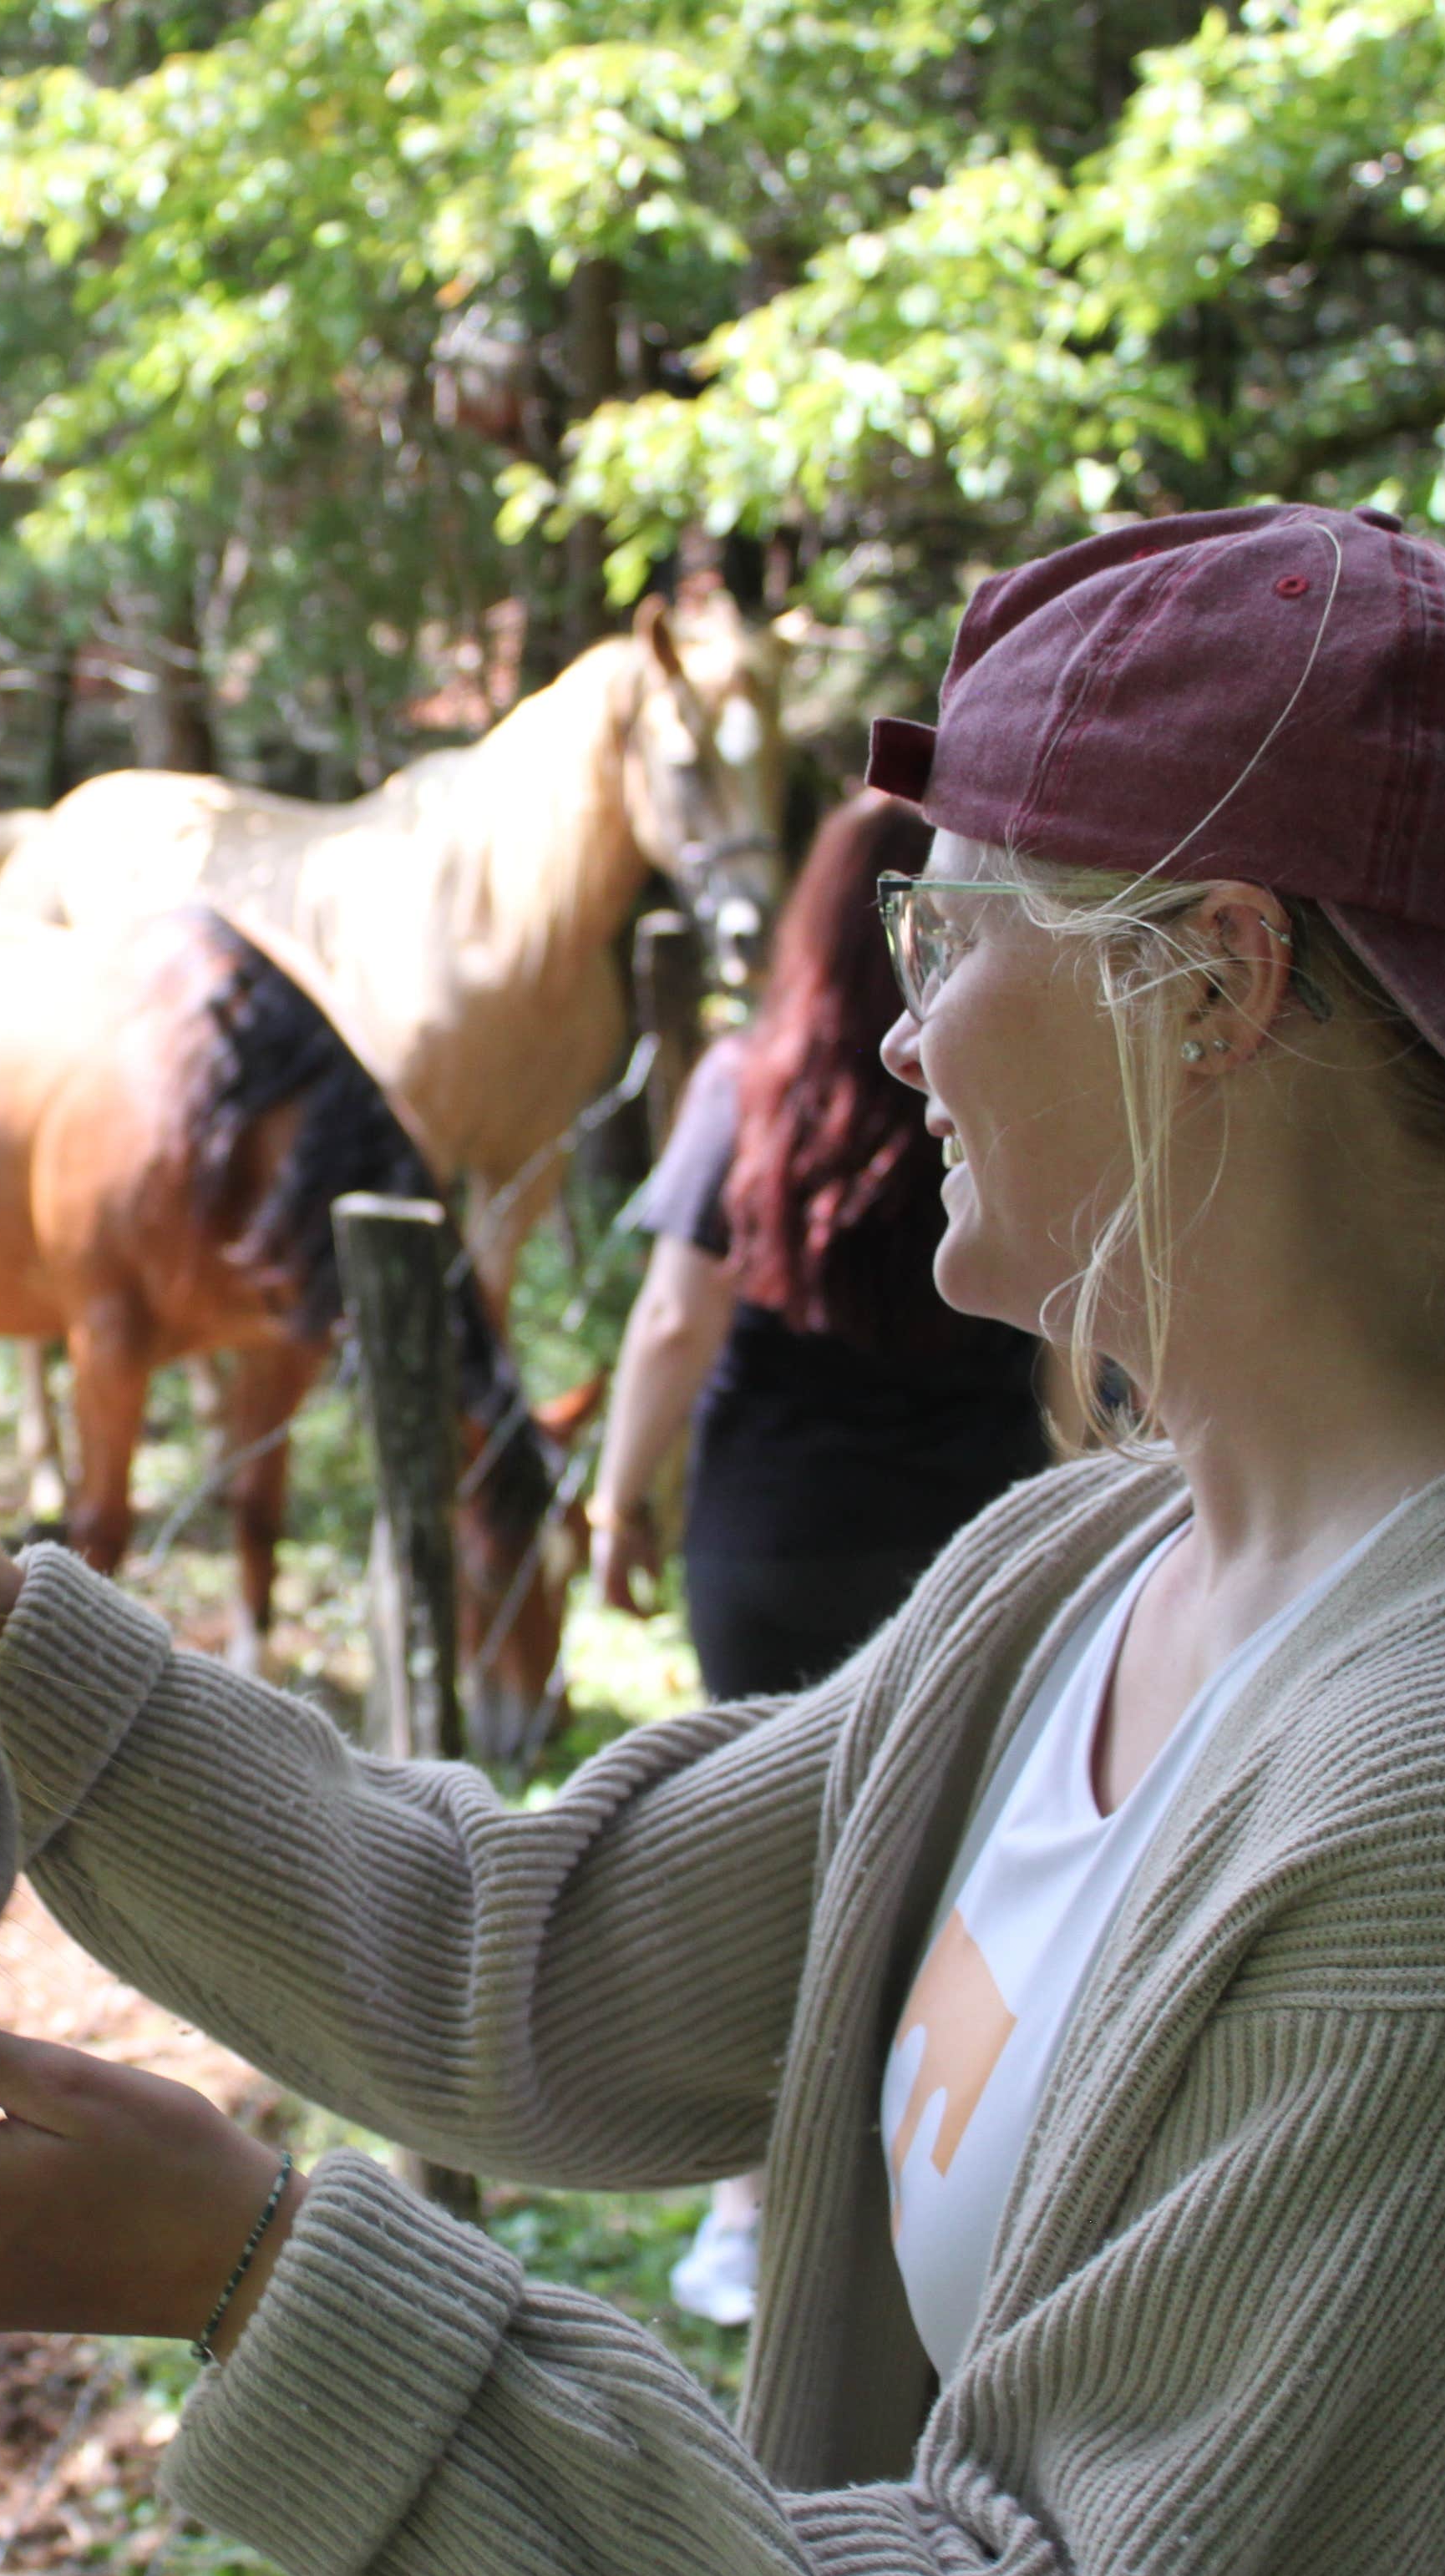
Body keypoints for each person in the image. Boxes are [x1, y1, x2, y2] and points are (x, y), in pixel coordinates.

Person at [0, 504, 1445, 2576]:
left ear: (1213, 986)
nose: (893, 1034)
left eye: (952, 940)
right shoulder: (1097, 1567)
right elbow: (527, 1964)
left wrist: (260, 2286)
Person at [590, 789, 1049, 2320]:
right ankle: (938, 2204)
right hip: (974, 1545)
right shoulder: (1017, 1092)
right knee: (956, 1882)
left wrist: (615, 1502)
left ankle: (745, 2210)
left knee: (768, 1873)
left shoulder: (750, 1081)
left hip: (771, 1537)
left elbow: (673, 1317)